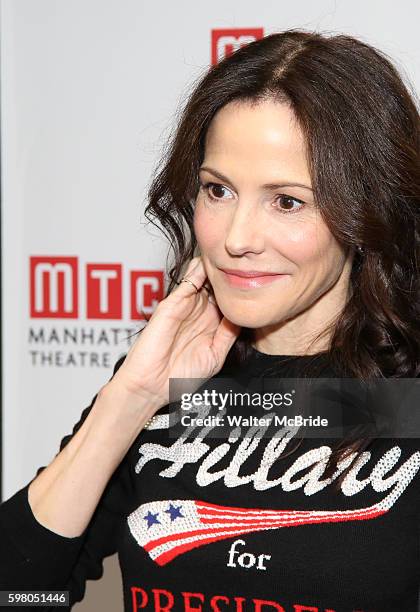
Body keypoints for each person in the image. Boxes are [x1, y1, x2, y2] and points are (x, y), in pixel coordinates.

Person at [0, 27, 419, 612]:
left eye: (288, 201)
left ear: (366, 209)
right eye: (218, 190)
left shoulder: (406, 398)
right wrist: (130, 400)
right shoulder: (170, 382)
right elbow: (18, 593)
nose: (236, 239)